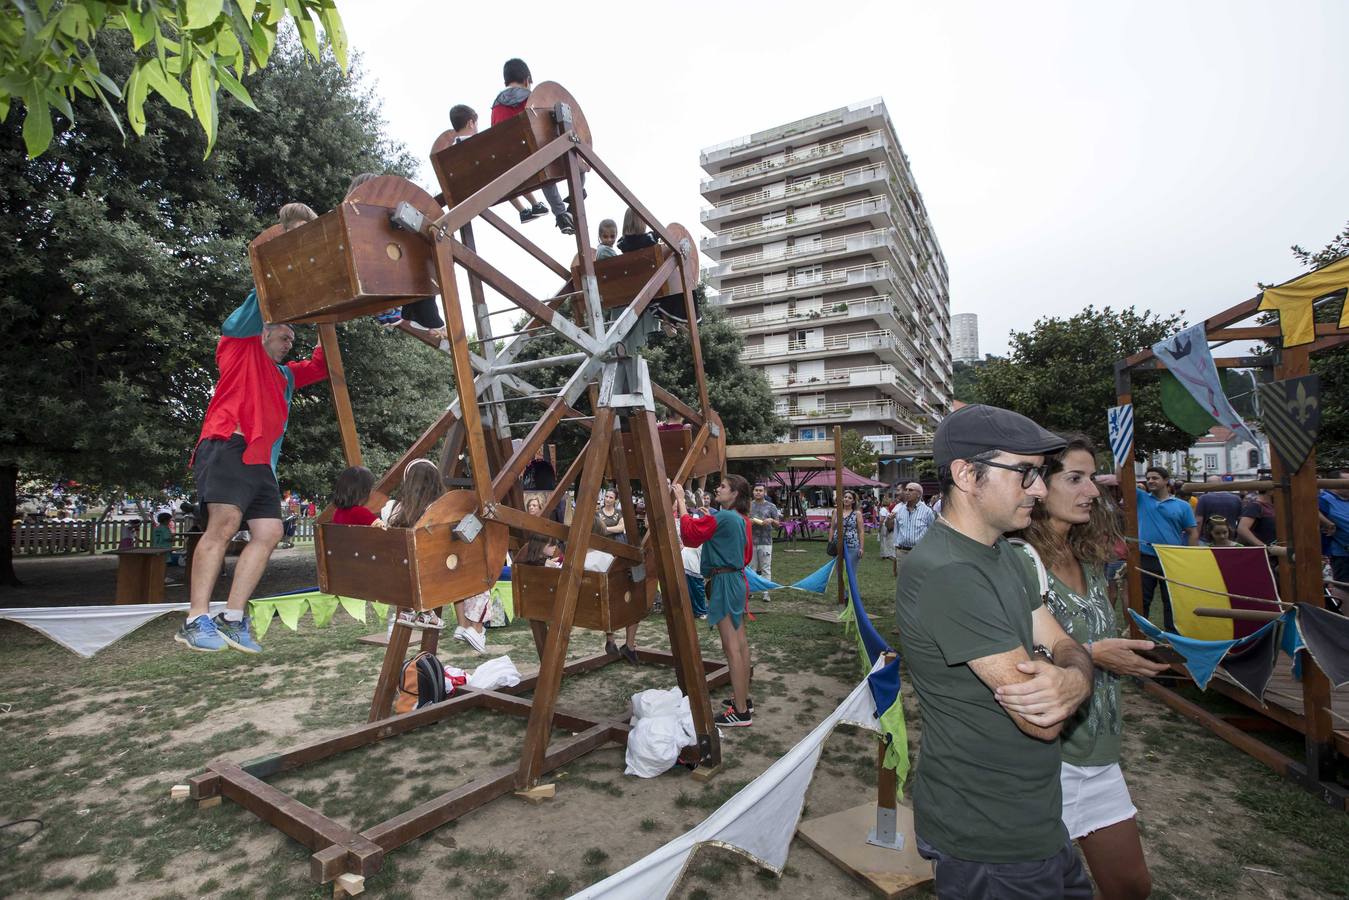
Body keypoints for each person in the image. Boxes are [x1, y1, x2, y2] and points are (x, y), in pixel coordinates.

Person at [895, 404, 1094, 899]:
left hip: (1033, 821)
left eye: (1042, 474)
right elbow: (1041, 717)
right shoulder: (949, 572)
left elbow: (1065, 643)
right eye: (1026, 472)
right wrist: (1075, 676)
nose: (1041, 489)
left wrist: (1073, 674)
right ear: (966, 475)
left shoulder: (1002, 552)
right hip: (988, 837)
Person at [1014, 435, 1164, 900]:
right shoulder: (1019, 560)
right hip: (1046, 757)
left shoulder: (1088, 559)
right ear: (1038, 487)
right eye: (1075, 479)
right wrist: (1094, 653)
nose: (1092, 492)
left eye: (1092, 479)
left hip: (1100, 752)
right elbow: (1008, 656)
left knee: (1131, 886)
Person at [177, 203, 330, 654]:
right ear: (264, 332)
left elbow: (321, 366)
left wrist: (327, 316)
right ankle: (195, 617)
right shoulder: (239, 348)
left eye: (292, 340)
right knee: (223, 524)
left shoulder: (284, 375)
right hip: (227, 444)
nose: (289, 343)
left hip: (260, 462)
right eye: (284, 335)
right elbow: (252, 306)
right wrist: (286, 251)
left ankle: (232, 616)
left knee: (269, 532)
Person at [675, 476, 754, 726]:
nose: (717, 489)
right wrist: (709, 517)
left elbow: (689, 535)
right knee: (740, 645)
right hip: (736, 581)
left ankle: (740, 712)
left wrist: (680, 500)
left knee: (731, 648)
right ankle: (743, 698)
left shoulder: (725, 517)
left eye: (722, 486)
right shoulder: (738, 519)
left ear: (735, 494)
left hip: (725, 582)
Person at [490, 59, 574, 234]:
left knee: (540, 162)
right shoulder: (533, 99)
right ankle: (572, 201)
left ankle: (561, 213)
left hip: (510, 162)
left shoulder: (496, 106)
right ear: (527, 79)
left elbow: (495, 135)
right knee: (572, 154)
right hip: (535, 158)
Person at [386, 459, 454, 635]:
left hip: (401, 572)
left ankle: (409, 610)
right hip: (431, 573)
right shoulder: (439, 509)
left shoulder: (392, 509)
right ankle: (430, 613)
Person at [1136, 465, 1198, 633]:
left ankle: (1173, 638)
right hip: (1145, 557)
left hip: (1172, 559)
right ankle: (1139, 635)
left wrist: (1191, 557)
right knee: (1142, 600)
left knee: (1171, 600)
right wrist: (1121, 458)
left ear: (1166, 481)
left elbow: (1192, 532)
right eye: (1148, 478)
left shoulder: (1182, 506)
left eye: (1155, 478)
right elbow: (1120, 480)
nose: (1150, 481)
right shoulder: (1141, 498)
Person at [595, 490, 639, 664]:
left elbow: (621, 528)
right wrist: (608, 530)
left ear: (615, 500)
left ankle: (629, 644)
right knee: (610, 597)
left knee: (628, 595)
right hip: (605, 554)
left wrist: (606, 529)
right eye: (606, 496)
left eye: (611, 497)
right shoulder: (598, 513)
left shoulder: (619, 513)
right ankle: (611, 639)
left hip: (619, 553)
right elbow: (598, 531)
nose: (607, 499)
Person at [891, 481, 935, 575]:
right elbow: (896, 530)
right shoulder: (900, 510)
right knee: (902, 582)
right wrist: (888, 521)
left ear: (919, 494)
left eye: (910, 490)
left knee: (918, 581)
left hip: (919, 552)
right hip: (902, 552)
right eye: (906, 490)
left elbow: (933, 532)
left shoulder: (927, 512)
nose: (906, 492)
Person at [749, 484, 782, 601]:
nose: (758, 492)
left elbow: (779, 525)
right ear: (753, 492)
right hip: (751, 541)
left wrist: (772, 520)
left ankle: (766, 592)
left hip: (766, 541)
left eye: (760, 490)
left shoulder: (771, 506)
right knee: (751, 568)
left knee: (765, 568)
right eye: (756, 490)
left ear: (765, 493)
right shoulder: (748, 506)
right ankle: (751, 590)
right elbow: (741, 522)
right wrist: (749, 522)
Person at [1237, 489, 1286, 561]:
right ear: (1270, 491)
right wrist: (1264, 547)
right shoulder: (1255, 506)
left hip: (1275, 553)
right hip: (1264, 556)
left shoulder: (1273, 506)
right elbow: (1242, 528)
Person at [831, 489, 864, 568]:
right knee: (839, 571)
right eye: (845, 497)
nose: (846, 499)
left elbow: (861, 531)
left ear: (853, 501)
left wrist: (861, 548)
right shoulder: (836, 511)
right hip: (837, 544)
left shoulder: (857, 513)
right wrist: (830, 542)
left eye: (849, 498)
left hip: (852, 545)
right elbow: (832, 528)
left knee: (851, 572)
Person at [877, 491, 895, 562]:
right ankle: (887, 554)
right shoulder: (887, 510)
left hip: (884, 526)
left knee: (883, 540)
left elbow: (881, 520)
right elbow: (883, 519)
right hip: (887, 526)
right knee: (886, 540)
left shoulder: (883, 510)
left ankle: (884, 554)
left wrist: (879, 528)